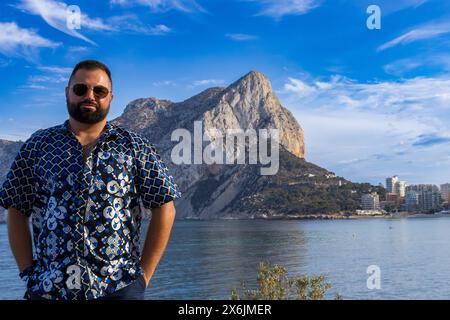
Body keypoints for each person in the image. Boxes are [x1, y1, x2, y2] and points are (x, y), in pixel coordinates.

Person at [0, 60, 181, 300]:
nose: (90, 96)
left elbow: (165, 207)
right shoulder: (38, 145)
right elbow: (15, 206)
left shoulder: (134, 146)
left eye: (99, 91)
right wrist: (27, 271)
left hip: (119, 288)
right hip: (48, 289)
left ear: (110, 97)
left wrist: (142, 277)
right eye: (80, 89)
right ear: (67, 92)